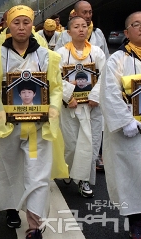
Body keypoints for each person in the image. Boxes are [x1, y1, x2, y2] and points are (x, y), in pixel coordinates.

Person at [0, 5, 66, 239]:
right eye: (16, 22)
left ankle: (35, 226)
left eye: (26, 22)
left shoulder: (49, 57)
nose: (21, 27)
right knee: (9, 171)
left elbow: (56, 88)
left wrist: (51, 112)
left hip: (38, 128)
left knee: (38, 176)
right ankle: (11, 209)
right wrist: (0, 116)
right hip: (7, 128)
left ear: (32, 25)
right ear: (9, 25)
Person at [99, 11, 141, 239]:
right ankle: (136, 222)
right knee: (132, 178)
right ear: (127, 32)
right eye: (136, 25)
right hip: (131, 133)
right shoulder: (118, 60)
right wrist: (126, 121)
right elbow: (109, 93)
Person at [55, 16, 106, 198]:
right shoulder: (61, 53)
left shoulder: (97, 52)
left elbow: (104, 76)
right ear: (69, 32)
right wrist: (68, 96)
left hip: (92, 107)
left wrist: (95, 96)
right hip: (71, 107)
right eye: (76, 27)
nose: (81, 29)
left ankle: (83, 180)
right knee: (72, 144)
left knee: (91, 145)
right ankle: (69, 169)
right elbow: (54, 78)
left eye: (84, 26)